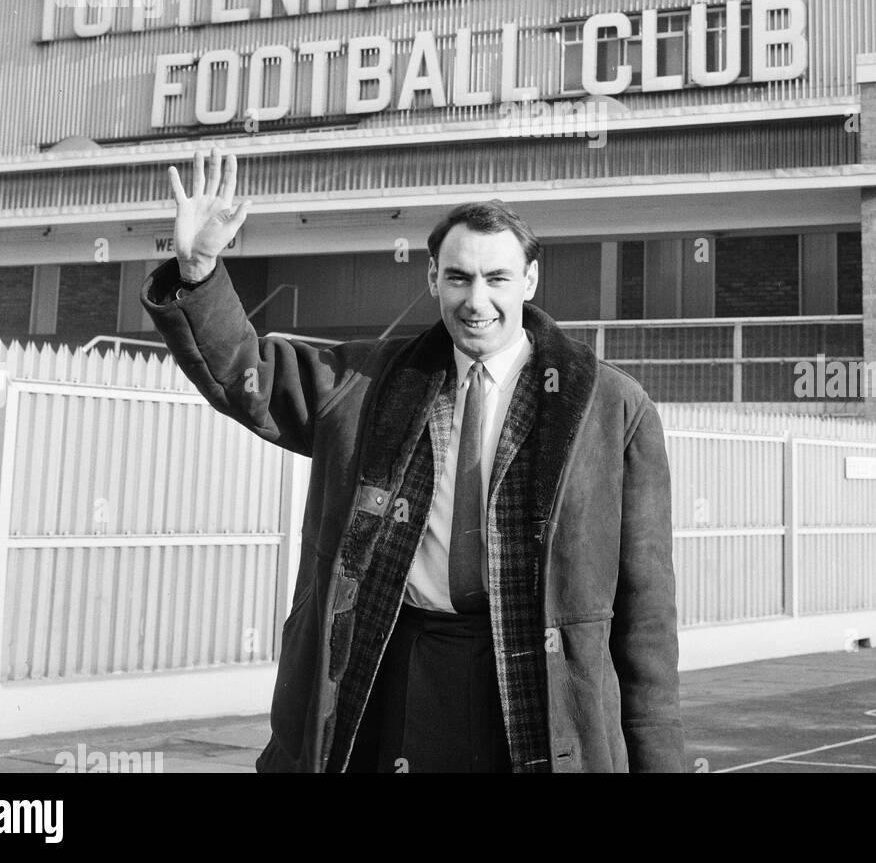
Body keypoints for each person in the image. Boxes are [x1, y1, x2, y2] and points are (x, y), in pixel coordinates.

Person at [142, 147, 685, 773]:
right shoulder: (364, 383)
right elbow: (246, 373)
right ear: (433, 278)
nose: (476, 300)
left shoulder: (613, 407)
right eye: (458, 278)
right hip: (399, 673)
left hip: (543, 690)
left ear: (531, 281)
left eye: (497, 279)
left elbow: (647, 618)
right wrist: (199, 271)